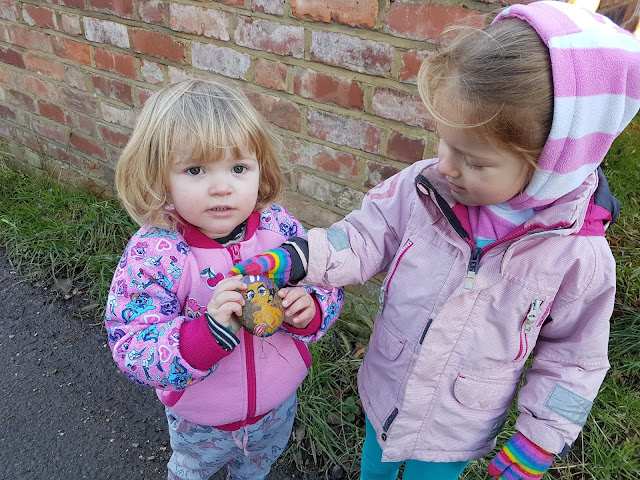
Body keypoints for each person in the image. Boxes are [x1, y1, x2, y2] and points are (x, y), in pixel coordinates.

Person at [228, 2, 640, 479]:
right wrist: (301, 257)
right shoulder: (424, 189)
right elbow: (363, 235)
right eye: (444, 140)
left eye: (473, 159)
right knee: (374, 469)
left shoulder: (576, 255)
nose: (445, 164)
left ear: (553, 164)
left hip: (456, 425)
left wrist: (538, 442)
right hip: (387, 389)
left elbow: (575, 360)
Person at [104, 79, 343, 480]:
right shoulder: (156, 254)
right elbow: (131, 343)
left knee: (256, 469)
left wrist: (312, 308)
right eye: (195, 170)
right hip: (200, 420)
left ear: (260, 169)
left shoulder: (279, 228)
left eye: (238, 168)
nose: (221, 187)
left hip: (277, 407)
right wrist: (205, 337)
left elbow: (326, 277)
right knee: (191, 472)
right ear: (160, 177)